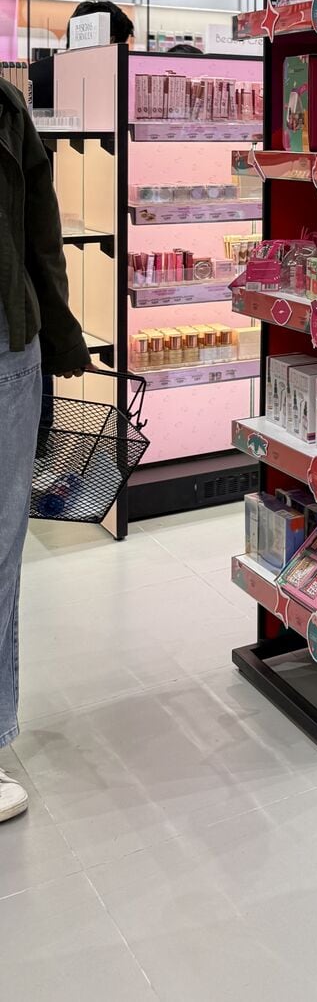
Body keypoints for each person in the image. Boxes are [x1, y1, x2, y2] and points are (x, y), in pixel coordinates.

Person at [0, 77, 91, 821]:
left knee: (0, 551)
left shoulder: (5, 108)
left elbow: (40, 236)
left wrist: (61, 336)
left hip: (7, 349)